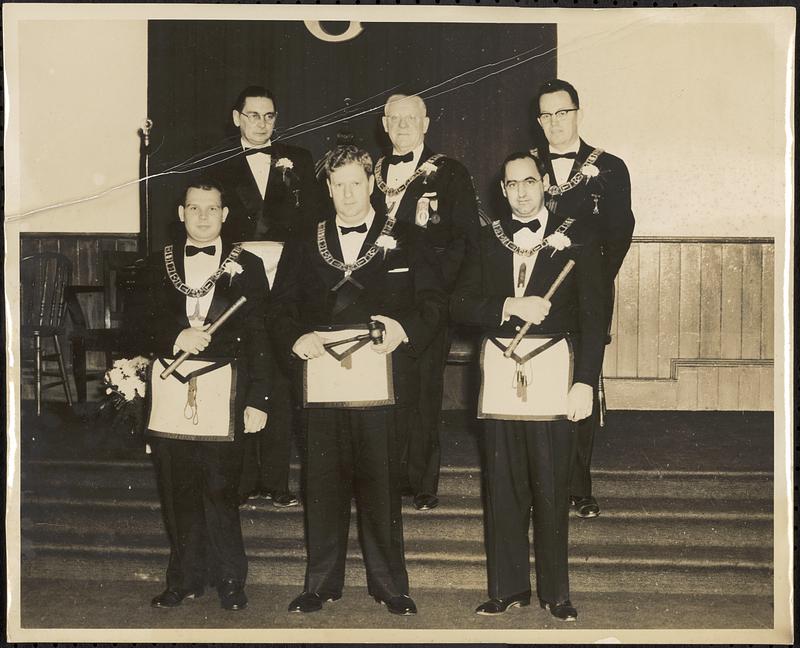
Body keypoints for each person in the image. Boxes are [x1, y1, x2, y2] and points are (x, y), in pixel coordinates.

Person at [269, 145, 446, 616]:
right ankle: (320, 583)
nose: (347, 194)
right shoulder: (306, 240)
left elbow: (433, 304)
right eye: (338, 185)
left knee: (382, 484)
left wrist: (403, 329)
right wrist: (295, 338)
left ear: (372, 184)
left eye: (356, 183)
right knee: (321, 483)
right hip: (321, 381)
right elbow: (280, 308)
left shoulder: (408, 237)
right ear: (327, 189)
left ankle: (389, 585)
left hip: (380, 381)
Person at [451, 152, 606, 621]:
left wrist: (585, 383)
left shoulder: (578, 237)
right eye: (511, 184)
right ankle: (507, 588)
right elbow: (458, 303)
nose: (521, 191)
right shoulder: (485, 238)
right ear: (502, 191)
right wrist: (509, 305)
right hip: (500, 370)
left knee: (552, 484)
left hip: (554, 370)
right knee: (501, 484)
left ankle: (556, 594)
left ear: (544, 185)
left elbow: (596, 315)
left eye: (529, 182)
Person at [127, 180, 271, 611]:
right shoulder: (157, 265)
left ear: (225, 214)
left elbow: (262, 333)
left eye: (212, 208)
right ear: (181, 213)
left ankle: (230, 579)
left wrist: (258, 399)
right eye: (194, 208)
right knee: (177, 487)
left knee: (220, 488)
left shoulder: (249, 265)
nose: (203, 217)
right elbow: (135, 324)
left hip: (225, 387)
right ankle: (184, 578)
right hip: (170, 388)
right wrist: (177, 334)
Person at [213, 85, 323, 508]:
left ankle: (277, 482)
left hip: (288, 278)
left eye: (269, 116)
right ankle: (240, 482)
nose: (261, 123)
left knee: (280, 368)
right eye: (253, 115)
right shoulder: (217, 160)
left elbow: (314, 219)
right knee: (244, 365)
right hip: (238, 278)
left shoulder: (299, 159)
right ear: (237, 117)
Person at [371, 93, 481, 510]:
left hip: (426, 299)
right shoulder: (370, 172)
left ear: (426, 123)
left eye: (410, 119)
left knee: (422, 391)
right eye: (394, 119)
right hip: (378, 300)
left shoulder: (450, 172)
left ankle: (421, 482)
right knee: (384, 389)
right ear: (384, 124)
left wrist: (436, 291)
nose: (401, 126)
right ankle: (386, 477)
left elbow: (464, 239)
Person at [532, 79, 635, 518]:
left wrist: (590, 281)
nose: (554, 123)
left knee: (581, 382)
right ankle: (539, 484)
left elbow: (620, 232)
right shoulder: (523, 165)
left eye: (562, 113)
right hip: (533, 295)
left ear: (577, 113)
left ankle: (578, 486)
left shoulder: (610, 166)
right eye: (545, 115)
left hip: (585, 294)